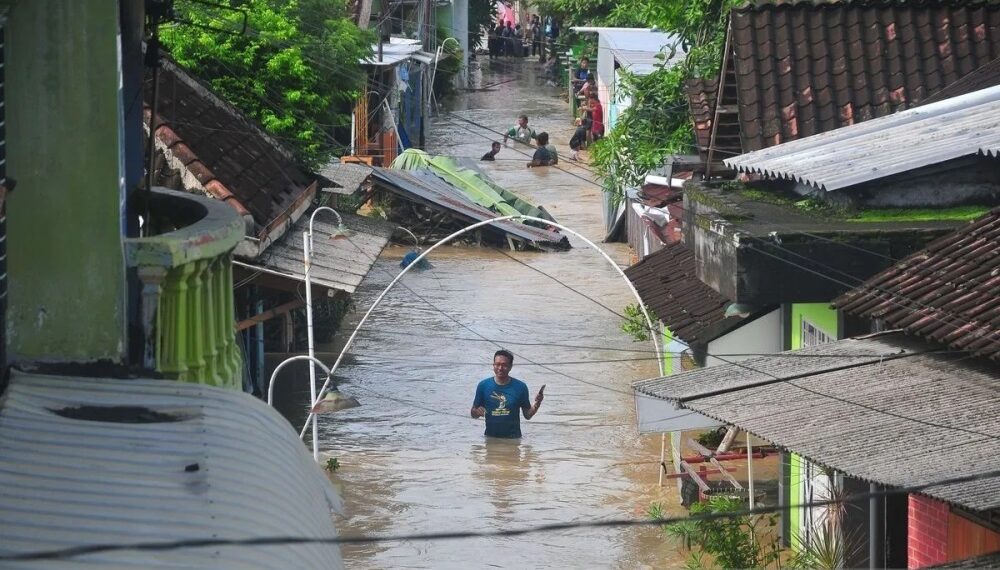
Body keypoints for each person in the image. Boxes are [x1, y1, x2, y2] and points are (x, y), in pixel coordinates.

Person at [471, 350, 544, 439]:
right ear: (493, 365)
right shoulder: (483, 386)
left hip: (513, 440)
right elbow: (473, 414)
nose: (500, 368)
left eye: (504, 365)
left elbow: (528, 415)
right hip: (491, 440)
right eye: (497, 364)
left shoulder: (520, 387)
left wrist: (538, 403)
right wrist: (477, 412)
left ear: (510, 367)